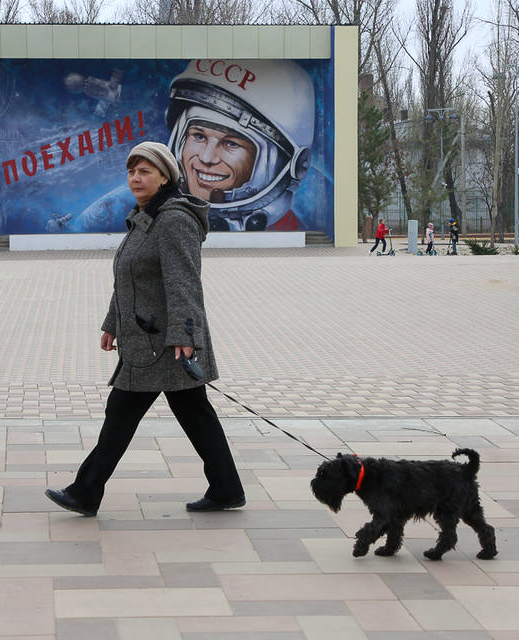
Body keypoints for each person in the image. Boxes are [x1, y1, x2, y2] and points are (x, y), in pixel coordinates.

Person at [45, 141, 245, 517]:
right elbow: (130, 277)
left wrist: (186, 337)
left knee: (122, 412)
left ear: (166, 176)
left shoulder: (174, 219)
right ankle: (226, 487)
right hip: (147, 339)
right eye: (132, 171)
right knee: (194, 413)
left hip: (163, 344)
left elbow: (185, 281)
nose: (135, 178)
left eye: (145, 171)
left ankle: (85, 492)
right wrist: (112, 323)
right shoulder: (146, 216)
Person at [165, 59, 315, 231]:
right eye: (199, 136)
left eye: (231, 144)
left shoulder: (289, 232)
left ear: (290, 163)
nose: (206, 157)